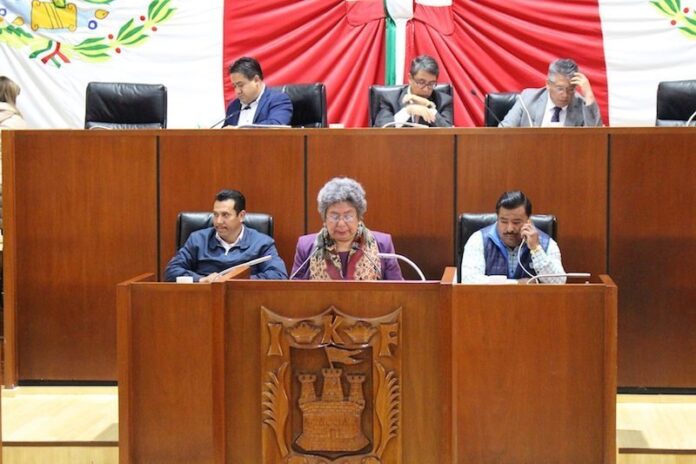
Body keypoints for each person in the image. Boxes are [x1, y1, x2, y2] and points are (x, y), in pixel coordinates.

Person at [291, 177, 403, 280]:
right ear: (324, 218)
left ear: (359, 217)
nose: (341, 223)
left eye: (348, 216)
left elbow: (397, 290)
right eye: (334, 216)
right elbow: (293, 290)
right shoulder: (306, 246)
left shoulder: (382, 244)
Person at [164, 189, 287, 282]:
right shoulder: (198, 239)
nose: (218, 221)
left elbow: (279, 275)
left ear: (241, 216)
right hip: (205, 299)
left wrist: (234, 280)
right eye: (215, 214)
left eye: (225, 215)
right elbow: (171, 271)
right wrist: (201, 279)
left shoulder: (262, 243)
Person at [460, 191, 566, 283]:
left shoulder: (546, 243)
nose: (510, 229)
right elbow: (469, 280)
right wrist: (516, 284)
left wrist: (536, 249)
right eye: (504, 221)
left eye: (516, 222)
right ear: (497, 218)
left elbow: (559, 282)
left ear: (528, 221)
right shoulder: (478, 240)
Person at [499, 58, 602, 127]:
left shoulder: (582, 106)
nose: (565, 95)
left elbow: (597, 139)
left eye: (571, 89)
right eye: (560, 89)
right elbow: (503, 132)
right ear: (548, 84)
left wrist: (589, 96)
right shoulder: (528, 99)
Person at [373, 55, 453, 128]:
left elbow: (450, 133)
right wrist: (408, 111)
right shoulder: (389, 99)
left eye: (431, 84)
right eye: (421, 82)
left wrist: (428, 106)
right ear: (410, 78)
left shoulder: (444, 101)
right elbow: (381, 128)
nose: (426, 89)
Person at [222, 57, 293, 128]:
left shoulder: (278, 100)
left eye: (241, 85)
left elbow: (276, 125)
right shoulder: (233, 106)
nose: (237, 91)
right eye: (234, 86)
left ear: (256, 80)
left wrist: (239, 130)